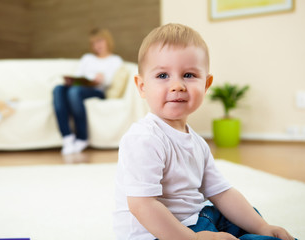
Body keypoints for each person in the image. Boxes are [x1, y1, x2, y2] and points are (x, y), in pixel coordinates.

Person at [113, 24, 296, 240]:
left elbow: (221, 192)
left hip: (195, 219)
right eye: (163, 75)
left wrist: (263, 226)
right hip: (160, 233)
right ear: (142, 86)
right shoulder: (144, 138)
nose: (177, 85)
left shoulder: (197, 142)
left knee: (248, 216)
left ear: (206, 84)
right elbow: (142, 205)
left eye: (189, 74)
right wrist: (195, 239)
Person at [53, 28, 123, 155]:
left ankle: (82, 137)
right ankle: (67, 137)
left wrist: (102, 79)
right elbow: (78, 75)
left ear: (107, 41)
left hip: (97, 91)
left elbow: (110, 83)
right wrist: (73, 80)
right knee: (58, 89)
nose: (98, 45)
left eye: (100, 41)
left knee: (74, 92)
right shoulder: (87, 58)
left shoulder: (115, 60)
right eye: (94, 43)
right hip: (80, 86)